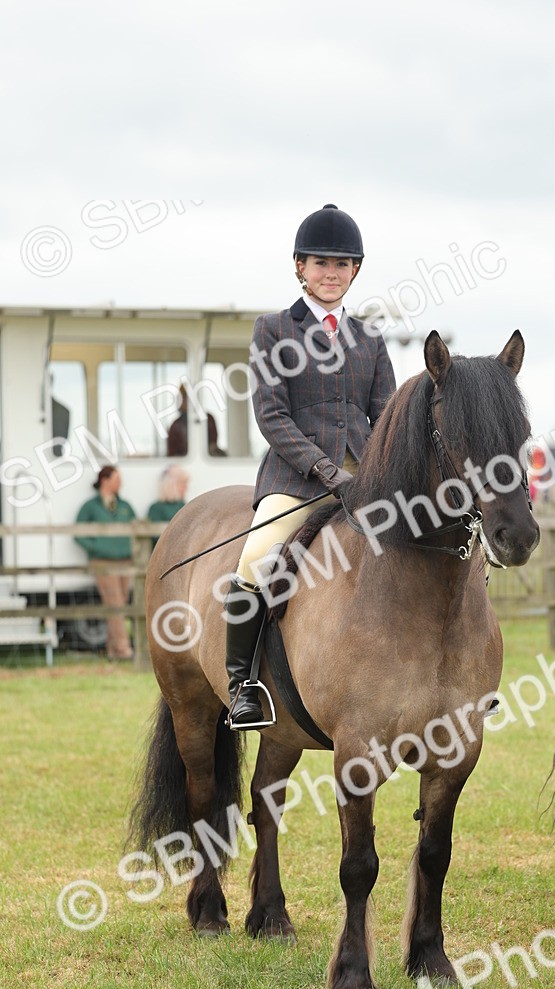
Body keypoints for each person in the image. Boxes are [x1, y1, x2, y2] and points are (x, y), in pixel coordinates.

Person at [224, 203, 396, 729]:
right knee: (256, 557)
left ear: (355, 272)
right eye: (321, 263)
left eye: (342, 265)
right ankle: (243, 686)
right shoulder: (274, 330)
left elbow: (386, 416)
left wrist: (378, 474)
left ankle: (446, 671)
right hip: (296, 481)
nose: (331, 273)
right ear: (300, 267)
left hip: (365, 482)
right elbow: (271, 417)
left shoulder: (370, 339)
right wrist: (328, 471)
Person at [75, 465, 137, 660]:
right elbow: (78, 532)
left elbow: (136, 528)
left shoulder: (125, 506)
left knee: (120, 604)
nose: (121, 483)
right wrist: (96, 548)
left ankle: (113, 650)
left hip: (125, 561)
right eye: (117, 479)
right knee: (115, 604)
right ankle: (125, 649)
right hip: (103, 562)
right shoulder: (91, 507)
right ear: (105, 480)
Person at [166, 384, 224, 457]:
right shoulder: (175, 426)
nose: (182, 402)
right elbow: (172, 454)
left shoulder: (208, 419)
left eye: (184, 398)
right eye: (180, 398)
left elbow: (213, 444)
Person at [147, 466, 189, 546]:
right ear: (171, 485)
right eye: (183, 483)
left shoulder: (184, 505)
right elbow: (156, 536)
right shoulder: (156, 508)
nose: (186, 487)